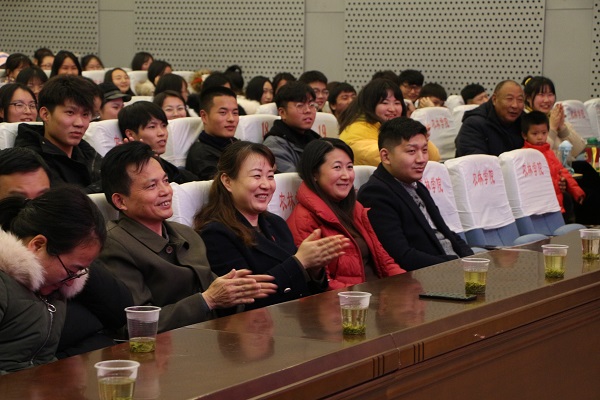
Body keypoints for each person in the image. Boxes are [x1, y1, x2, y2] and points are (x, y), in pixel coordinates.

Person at [97, 141, 277, 332]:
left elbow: (219, 295)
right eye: (151, 186)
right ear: (120, 201)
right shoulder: (113, 245)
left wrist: (237, 293)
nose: (166, 191)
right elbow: (138, 324)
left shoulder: (186, 234)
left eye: (166, 181)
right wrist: (207, 301)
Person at [0, 147, 132, 357]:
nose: (32, 208)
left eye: (43, 197)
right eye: (18, 198)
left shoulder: (63, 248)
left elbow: (120, 311)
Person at [195, 141, 349, 308]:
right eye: (256, 176)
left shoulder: (276, 223)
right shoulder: (215, 233)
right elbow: (242, 302)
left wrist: (315, 269)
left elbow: (307, 290)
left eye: (270, 176)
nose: (266, 185)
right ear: (227, 181)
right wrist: (300, 262)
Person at [0, 185, 106, 373]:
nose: (71, 282)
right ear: (38, 245)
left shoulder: (55, 292)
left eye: (80, 272)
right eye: (71, 270)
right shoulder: (4, 287)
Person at [287, 138, 405, 289]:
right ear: (314, 173)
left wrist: (405, 284)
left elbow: (384, 261)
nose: (346, 176)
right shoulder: (304, 219)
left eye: (349, 167)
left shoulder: (355, 208)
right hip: (353, 299)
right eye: (337, 167)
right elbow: (324, 284)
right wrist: (367, 297)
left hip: (380, 293)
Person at [358, 117, 473, 270]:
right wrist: (455, 264)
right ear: (386, 156)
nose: (421, 159)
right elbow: (401, 255)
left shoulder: (416, 186)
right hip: (428, 275)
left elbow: (446, 232)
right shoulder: (375, 193)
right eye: (411, 151)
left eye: (424, 150)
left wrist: (471, 259)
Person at [14, 74, 103, 193]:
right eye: (70, 112)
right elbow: (63, 199)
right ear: (45, 114)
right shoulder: (30, 158)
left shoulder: (84, 149)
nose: (80, 123)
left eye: (85, 114)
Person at [339, 78, 440, 166]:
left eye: (397, 103)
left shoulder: (395, 128)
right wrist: (413, 144)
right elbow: (388, 159)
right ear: (369, 105)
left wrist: (422, 140)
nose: (392, 109)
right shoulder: (356, 130)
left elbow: (435, 159)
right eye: (385, 103)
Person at [521, 111, 585, 219]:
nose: (540, 137)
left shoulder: (549, 153)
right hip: (538, 207)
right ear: (524, 135)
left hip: (557, 204)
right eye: (535, 134)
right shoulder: (524, 155)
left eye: (544, 133)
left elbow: (563, 172)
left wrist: (576, 191)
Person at [118, 101, 198, 183]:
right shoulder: (123, 173)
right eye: (152, 127)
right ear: (130, 134)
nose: (162, 133)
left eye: (164, 126)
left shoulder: (174, 171)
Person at [455, 80, 525, 157]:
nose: (515, 105)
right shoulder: (473, 124)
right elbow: (475, 160)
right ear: (494, 99)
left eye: (520, 100)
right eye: (509, 99)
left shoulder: (525, 122)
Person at [522, 75, 586, 159]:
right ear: (528, 98)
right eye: (541, 95)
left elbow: (578, 150)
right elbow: (539, 155)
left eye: (550, 94)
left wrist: (562, 127)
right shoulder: (526, 120)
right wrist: (552, 128)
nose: (547, 100)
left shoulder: (554, 116)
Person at [263, 81, 321, 173]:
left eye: (311, 105)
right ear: (282, 113)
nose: (308, 110)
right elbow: (293, 179)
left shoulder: (315, 138)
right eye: (300, 105)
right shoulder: (274, 146)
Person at [186, 87, 239, 180]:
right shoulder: (202, 156)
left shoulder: (234, 143)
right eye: (223, 112)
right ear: (204, 116)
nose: (231, 119)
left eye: (235, 113)